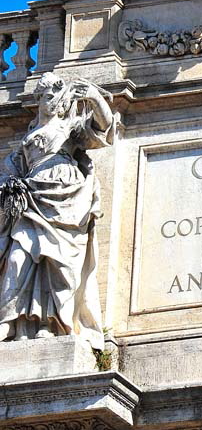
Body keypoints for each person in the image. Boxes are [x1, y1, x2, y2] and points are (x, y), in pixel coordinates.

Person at [0, 74, 116, 345]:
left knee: (59, 264)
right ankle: (11, 321)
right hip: (31, 198)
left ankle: (52, 323)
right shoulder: (30, 133)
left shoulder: (72, 128)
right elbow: (12, 167)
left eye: (57, 98)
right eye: (47, 97)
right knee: (17, 259)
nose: (53, 103)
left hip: (64, 197)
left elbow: (104, 126)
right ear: (39, 100)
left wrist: (93, 96)